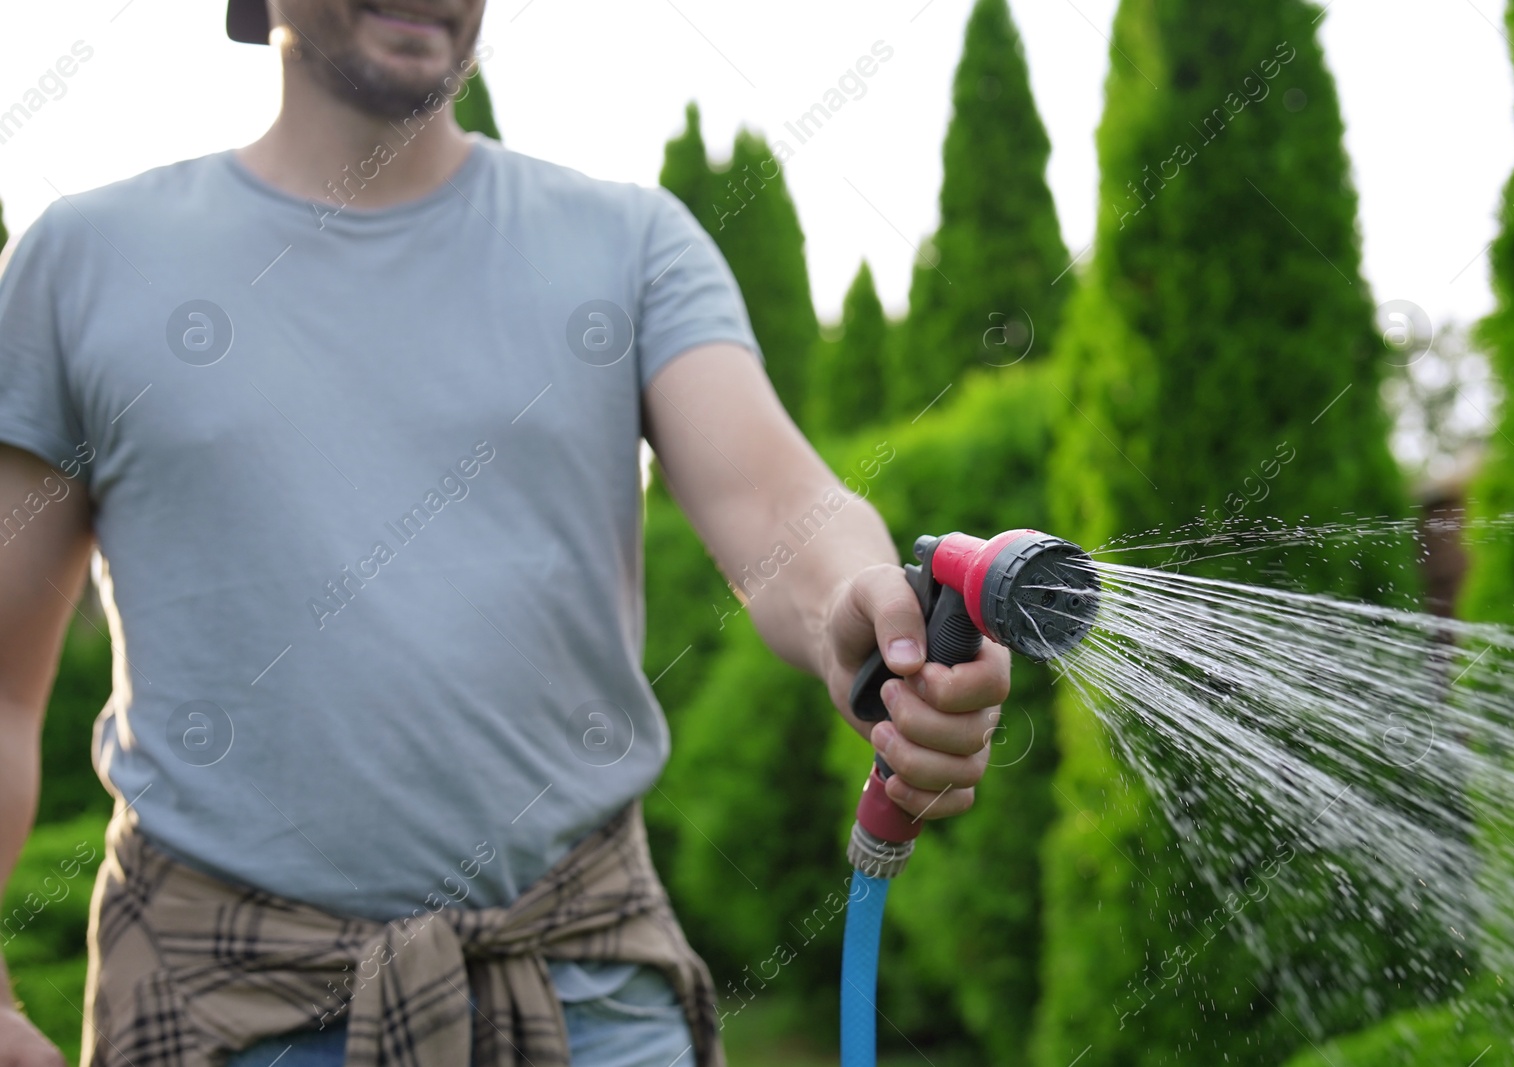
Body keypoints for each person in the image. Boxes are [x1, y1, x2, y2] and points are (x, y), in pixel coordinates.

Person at [0, 1, 1011, 1064]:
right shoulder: (85, 261)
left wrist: (863, 609)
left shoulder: (627, 242)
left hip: (586, 988)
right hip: (226, 1003)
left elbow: (776, 507)